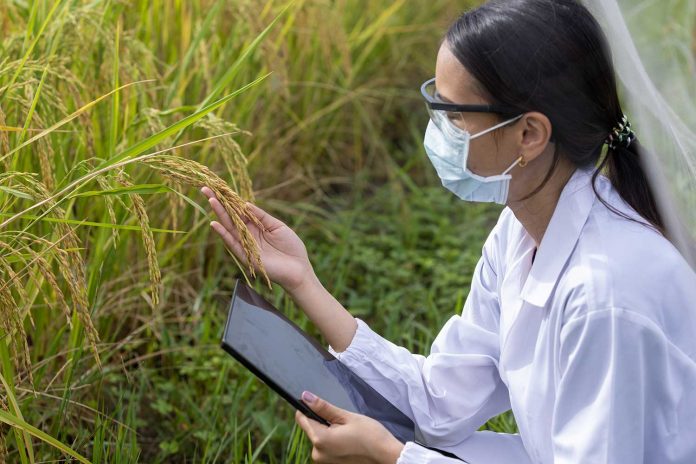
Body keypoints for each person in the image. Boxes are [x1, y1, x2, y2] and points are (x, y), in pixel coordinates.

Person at [200, 0, 696, 462]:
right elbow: (440, 402)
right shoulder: (519, 230)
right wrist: (303, 281)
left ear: (529, 134)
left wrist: (392, 456)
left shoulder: (605, 298)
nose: (438, 132)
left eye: (454, 115)